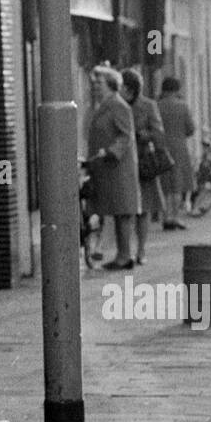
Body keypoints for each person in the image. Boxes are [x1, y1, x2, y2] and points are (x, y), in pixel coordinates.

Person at [86, 65, 141, 270]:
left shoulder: (118, 105)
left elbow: (126, 135)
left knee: (122, 210)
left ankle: (124, 256)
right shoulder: (105, 105)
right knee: (116, 209)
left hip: (118, 167)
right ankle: (121, 254)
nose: (96, 87)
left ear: (111, 84)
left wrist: (111, 151)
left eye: (99, 83)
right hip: (107, 167)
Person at [121, 68, 165, 266]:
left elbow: (158, 132)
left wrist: (142, 135)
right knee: (125, 207)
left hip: (143, 161)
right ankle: (125, 251)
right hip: (123, 161)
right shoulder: (117, 105)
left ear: (131, 89)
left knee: (144, 208)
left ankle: (141, 250)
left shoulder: (148, 105)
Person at [157, 76, 195, 230]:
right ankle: (175, 217)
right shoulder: (183, 106)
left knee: (165, 183)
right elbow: (190, 129)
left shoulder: (157, 106)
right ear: (177, 89)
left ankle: (166, 216)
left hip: (162, 148)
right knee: (178, 184)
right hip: (179, 148)